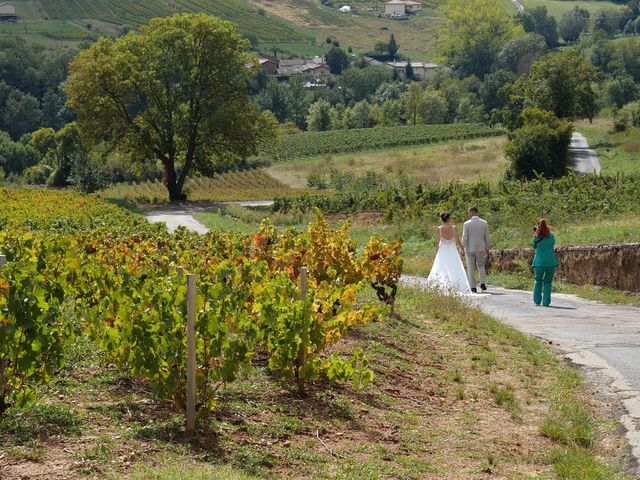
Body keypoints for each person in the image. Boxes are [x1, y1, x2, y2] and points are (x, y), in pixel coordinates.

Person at [426, 212, 471, 294]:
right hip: (452, 250)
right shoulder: (454, 228)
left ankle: (441, 286)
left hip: (442, 250)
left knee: (442, 267)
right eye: (451, 218)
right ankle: (456, 286)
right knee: (454, 267)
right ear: (448, 219)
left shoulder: (439, 229)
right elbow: (457, 240)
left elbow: (437, 242)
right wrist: (462, 249)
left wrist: (437, 251)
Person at [462, 207, 490, 293]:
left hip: (470, 248)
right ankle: (482, 283)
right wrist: (487, 247)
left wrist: (462, 247)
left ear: (471, 212)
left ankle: (473, 287)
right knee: (481, 265)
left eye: (468, 212)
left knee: (470, 268)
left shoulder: (466, 224)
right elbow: (487, 236)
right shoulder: (484, 223)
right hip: (480, 248)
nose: (468, 214)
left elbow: (465, 237)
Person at [531, 219, 558, 307]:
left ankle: (537, 300)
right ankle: (546, 302)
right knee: (548, 282)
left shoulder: (536, 237)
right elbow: (552, 243)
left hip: (539, 263)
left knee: (538, 281)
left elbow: (534, 246)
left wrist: (535, 235)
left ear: (538, 227)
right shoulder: (552, 235)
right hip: (550, 262)